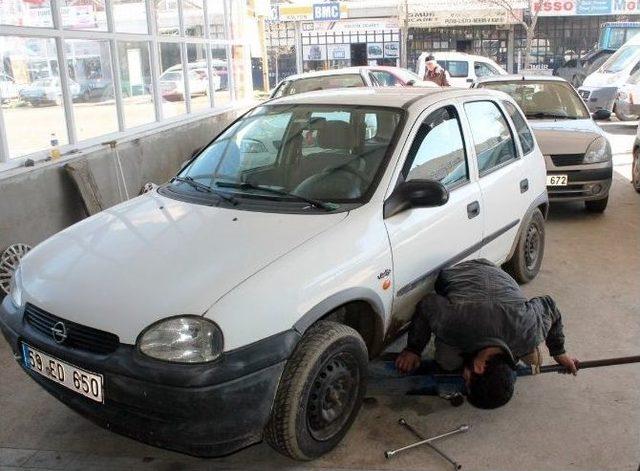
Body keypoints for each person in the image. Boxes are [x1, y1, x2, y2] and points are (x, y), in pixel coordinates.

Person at [395, 259, 578, 409]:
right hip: (461, 272)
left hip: (500, 281)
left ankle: (512, 351)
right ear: (480, 367)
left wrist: (559, 354)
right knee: (447, 360)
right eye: (467, 383)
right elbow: (428, 303)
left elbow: (549, 305)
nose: (463, 381)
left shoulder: (528, 329)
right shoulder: (455, 324)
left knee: (534, 358)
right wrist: (413, 349)